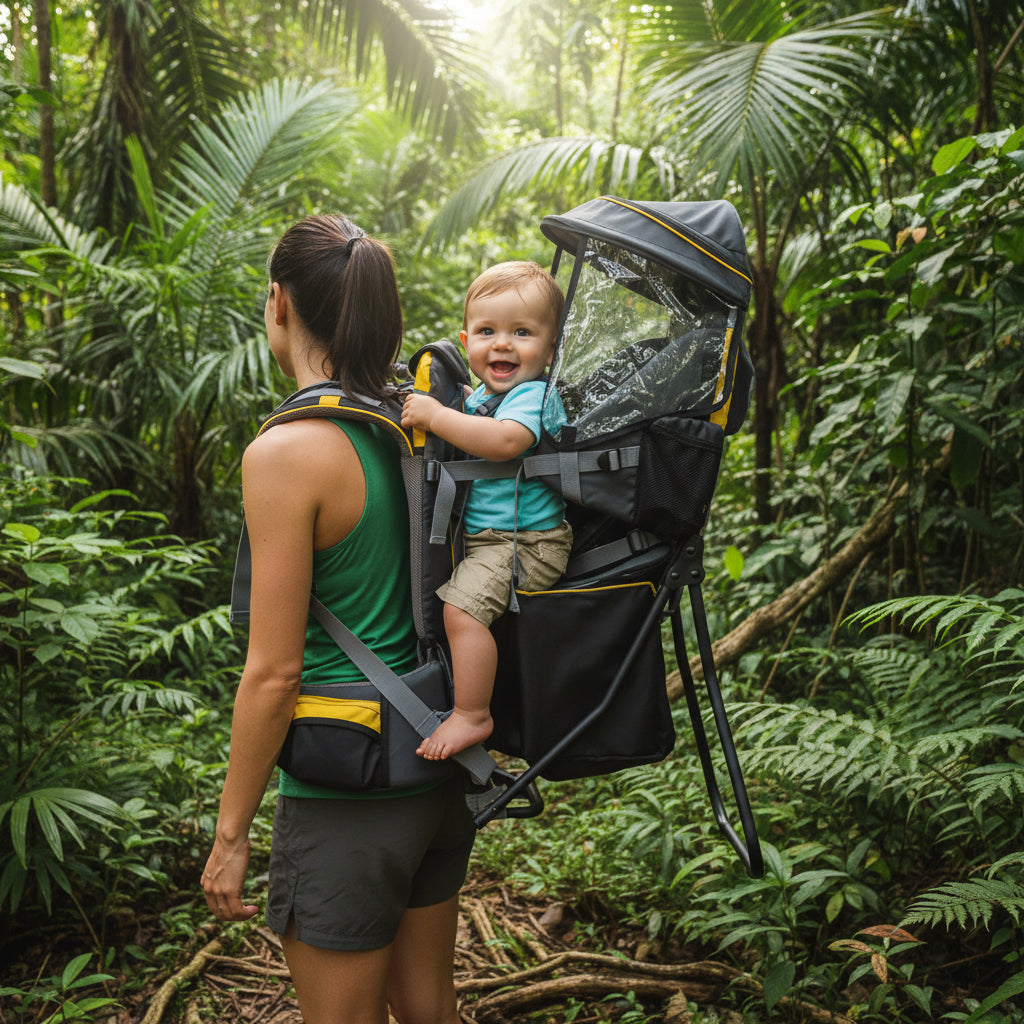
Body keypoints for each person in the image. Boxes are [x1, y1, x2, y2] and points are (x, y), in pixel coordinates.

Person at [201, 214, 475, 1024]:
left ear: (278, 303)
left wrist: (229, 834)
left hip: (349, 785)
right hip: (434, 767)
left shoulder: (289, 452)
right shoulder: (412, 424)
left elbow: (275, 670)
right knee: (430, 1008)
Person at [401, 260, 573, 761]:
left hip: (529, 543)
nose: (502, 344)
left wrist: (437, 415)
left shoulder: (532, 396)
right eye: (487, 331)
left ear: (552, 345)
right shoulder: (481, 397)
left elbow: (505, 443)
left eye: (522, 332)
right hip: (494, 540)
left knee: (460, 610)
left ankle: (473, 715)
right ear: (465, 338)